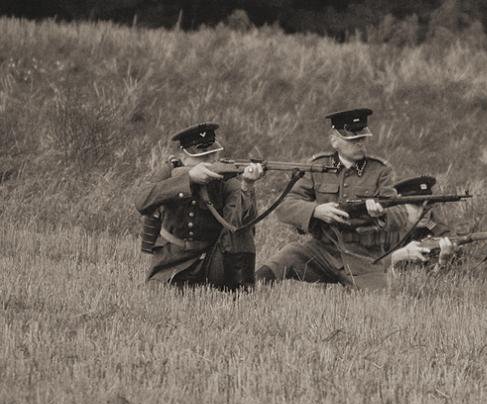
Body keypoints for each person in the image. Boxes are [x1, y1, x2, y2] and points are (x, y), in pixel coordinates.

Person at [256, 108, 410, 289]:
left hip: (363, 256)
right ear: (334, 141)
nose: (360, 143)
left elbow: (400, 214)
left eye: (362, 138)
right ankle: (248, 288)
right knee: (287, 256)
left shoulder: (381, 171)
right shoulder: (317, 167)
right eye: (353, 140)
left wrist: (382, 214)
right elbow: (285, 205)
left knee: (378, 303)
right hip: (322, 250)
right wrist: (316, 211)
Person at [135, 123, 264, 290]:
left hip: (212, 261)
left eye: (212, 155)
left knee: (240, 233)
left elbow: (238, 225)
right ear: (183, 156)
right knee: (159, 293)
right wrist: (188, 179)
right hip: (172, 260)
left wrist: (247, 186)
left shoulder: (226, 180)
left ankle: (240, 288)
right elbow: (141, 201)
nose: (209, 161)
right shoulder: (169, 172)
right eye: (202, 157)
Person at [387, 175, 459, 268]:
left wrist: (443, 262)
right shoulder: (383, 231)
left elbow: (432, 279)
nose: (425, 211)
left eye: (428, 204)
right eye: (417, 205)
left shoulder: (439, 234)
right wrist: (396, 257)